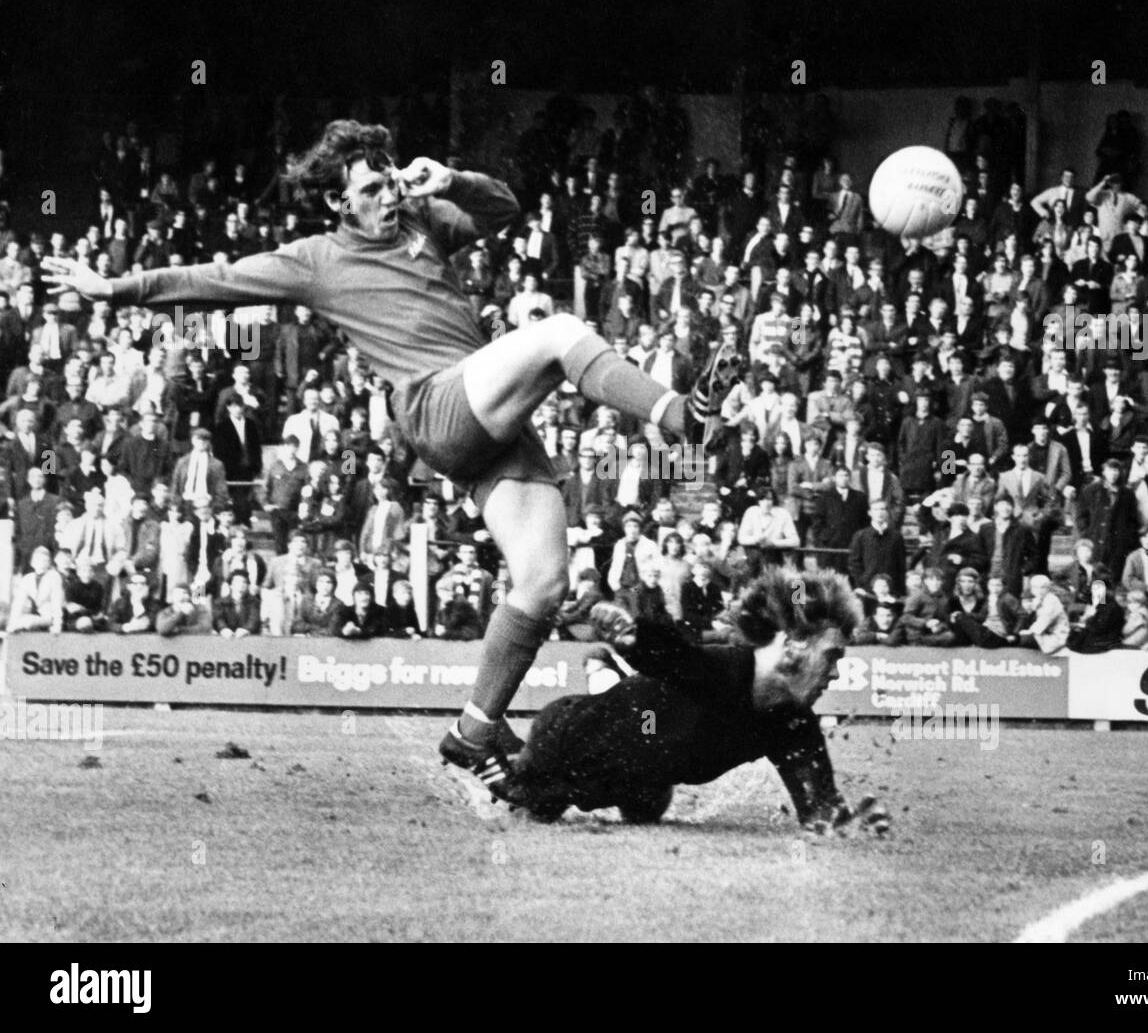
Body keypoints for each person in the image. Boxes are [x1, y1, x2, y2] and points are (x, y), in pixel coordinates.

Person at [45, 119, 702, 794]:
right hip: (436, 407)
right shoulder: (316, 260)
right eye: (371, 188)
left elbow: (503, 208)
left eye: (390, 181)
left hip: (488, 426)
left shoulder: (421, 218)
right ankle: (679, 415)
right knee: (561, 331)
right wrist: (114, 289)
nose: (389, 196)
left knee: (543, 584)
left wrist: (452, 179)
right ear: (339, 201)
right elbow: (215, 279)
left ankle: (474, 729)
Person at [502, 569, 891, 835]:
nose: (836, 672)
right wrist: (633, 636)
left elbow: (820, 810)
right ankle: (587, 676)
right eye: (832, 656)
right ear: (792, 647)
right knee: (530, 809)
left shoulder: (793, 724)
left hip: (645, 783)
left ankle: (602, 671)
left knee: (646, 811)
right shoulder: (721, 668)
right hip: (569, 743)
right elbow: (676, 655)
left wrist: (847, 822)